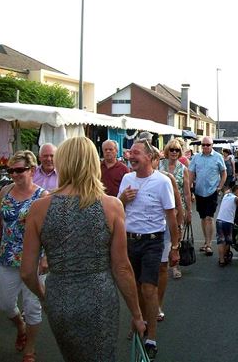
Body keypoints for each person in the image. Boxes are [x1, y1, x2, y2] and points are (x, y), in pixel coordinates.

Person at [20, 137, 145, 362]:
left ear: (62, 163)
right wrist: (136, 313)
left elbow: (27, 271)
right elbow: (122, 268)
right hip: (100, 298)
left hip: (60, 297)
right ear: (92, 163)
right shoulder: (111, 205)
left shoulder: (39, 208)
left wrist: (44, 297)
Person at [117, 137, 180, 360]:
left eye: (136, 153)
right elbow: (117, 210)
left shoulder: (162, 182)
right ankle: (139, 321)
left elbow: (171, 217)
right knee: (133, 288)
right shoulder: (126, 178)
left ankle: (151, 336)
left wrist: (175, 247)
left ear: (149, 157)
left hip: (153, 241)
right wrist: (123, 199)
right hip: (129, 240)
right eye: (130, 153)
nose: (131, 156)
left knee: (148, 289)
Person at [0, 151, 47, 362]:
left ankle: (30, 349)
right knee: (6, 304)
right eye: (11, 170)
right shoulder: (4, 191)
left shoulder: (43, 196)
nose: (14, 175)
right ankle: (20, 326)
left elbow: (48, 231)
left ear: (32, 170)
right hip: (7, 256)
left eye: (19, 170)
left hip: (34, 259)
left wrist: (46, 257)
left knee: (33, 307)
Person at [149, 146, 183, 322]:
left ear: (157, 160)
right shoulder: (132, 178)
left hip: (164, 231)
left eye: (153, 158)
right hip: (142, 234)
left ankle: (157, 305)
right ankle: (144, 309)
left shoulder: (167, 178)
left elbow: (178, 206)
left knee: (162, 267)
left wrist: (178, 228)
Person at [159, 138, 192, 279]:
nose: (174, 152)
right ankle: (161, 265)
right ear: (167, 151)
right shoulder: (159, 165)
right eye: (171, 149)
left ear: (180, 152)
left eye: (177, 150)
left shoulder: (183, 169)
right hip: (160, 207)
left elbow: (186, 192)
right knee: (159, 236)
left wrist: (188, 211)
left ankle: (174, 266)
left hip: (178, 208)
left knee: (175, 238)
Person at [188, 136, 226, 256]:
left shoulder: (218, 157)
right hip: (199, 191)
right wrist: (189, 189)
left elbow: (223, 172)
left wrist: (220, 187)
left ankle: (209, 244)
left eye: (207, 145)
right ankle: (205, 242)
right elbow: (191, 173)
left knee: (209, 217)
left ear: (212, 145)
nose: (205, 147)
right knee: (203, 218)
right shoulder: (196, 157)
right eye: (203, 145)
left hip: (211, 192)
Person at [215, 185, 238, 266]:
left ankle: (221, 260)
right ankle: (225, 256)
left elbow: (226, 190)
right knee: (228, 240)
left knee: (221, 241)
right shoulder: (236, 199)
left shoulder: (226, 195)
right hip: (228, 222)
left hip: (219, 220)